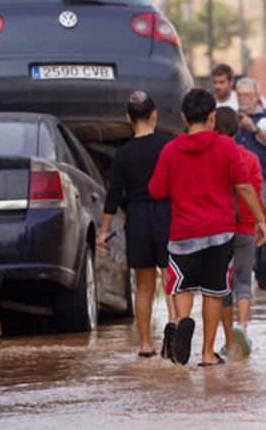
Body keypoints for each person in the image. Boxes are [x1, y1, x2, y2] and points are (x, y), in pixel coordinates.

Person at [148, 89, 266, 367]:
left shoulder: (170, 150)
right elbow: (244, 186)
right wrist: (260, 219)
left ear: (184, 117)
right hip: (219, 233)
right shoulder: (226, 147)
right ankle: (207, 354)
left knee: (183, 288)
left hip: (184, 233)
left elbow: (156, 191)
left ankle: (182, 321)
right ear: (213, 116)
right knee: (214, 292)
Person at [97, 91, 175, 358]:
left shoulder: (122, 154)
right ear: (154, 115)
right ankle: (175, 333)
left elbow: (113, 196)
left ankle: (145, 345)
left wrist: (104, 232)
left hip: (137, 217)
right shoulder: (168, 145)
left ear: (128, 118)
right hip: (166, 213)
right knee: (170, 278)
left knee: (144, 286)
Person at [214, 107, 266, 358]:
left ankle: (228, 340)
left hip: (220, 227)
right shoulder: (250, 158)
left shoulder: (211, 157)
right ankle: (243, 327)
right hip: (247, 225)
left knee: (222, 285)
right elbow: (255, 193)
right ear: (237, 130)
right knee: (243, 281)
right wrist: (262, 220)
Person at [235, 77, 266, 201]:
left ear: (256, 96)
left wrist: (254, 128)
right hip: (236, 178)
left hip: (262, 176)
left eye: (246, 95)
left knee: (264, 213)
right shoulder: (232, 117)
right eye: (239, 95)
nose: (242, 98)